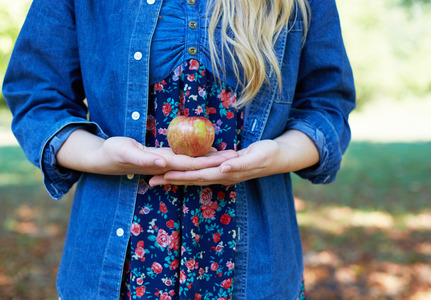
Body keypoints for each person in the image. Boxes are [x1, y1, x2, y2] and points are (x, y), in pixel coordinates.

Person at [3, 0, 355, 299]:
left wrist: (277, 155)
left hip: (257, 272)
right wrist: (101, 154)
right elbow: (38, 96)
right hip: (115, 274)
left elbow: (326, 105)